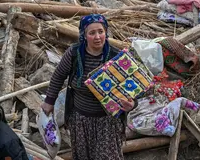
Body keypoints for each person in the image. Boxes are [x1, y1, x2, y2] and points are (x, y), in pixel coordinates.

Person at [41, 14, 134, 160]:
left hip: (108, 122)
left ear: (106, 32)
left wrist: (132, 104)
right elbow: (58, 76)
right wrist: (49, 101)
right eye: (92, 33)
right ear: (84, 35)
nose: (97, 37)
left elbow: (133, 88)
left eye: (101, 31)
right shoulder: (74, 53)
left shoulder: (117, 57)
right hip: (80, 120)